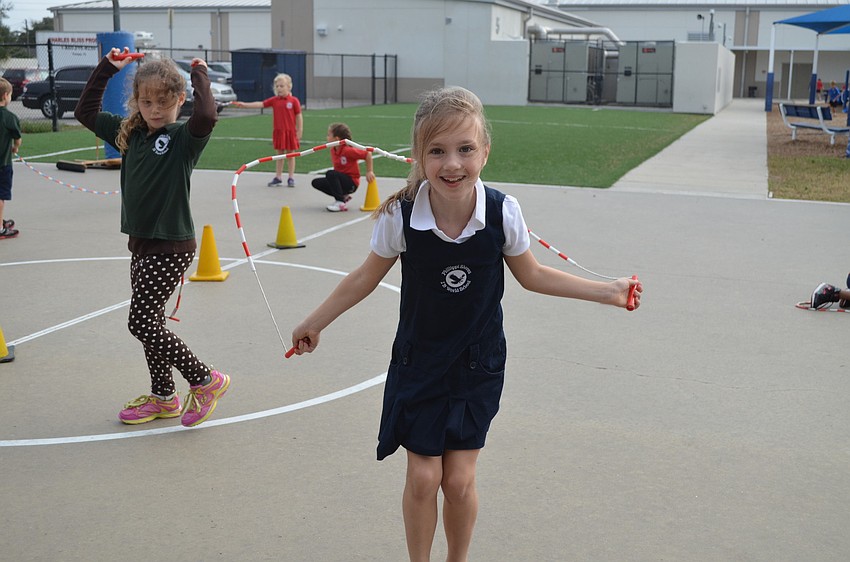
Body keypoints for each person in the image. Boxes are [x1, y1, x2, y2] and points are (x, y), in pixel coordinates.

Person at [289, 86, 642, 562]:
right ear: (418, 155)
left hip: (477, 363)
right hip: (420, 362)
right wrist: (315, 322)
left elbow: (532, 275)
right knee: (423, 477)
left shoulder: (502, 212)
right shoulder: (400, 215)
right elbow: (363, 279)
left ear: (485, 152)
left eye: (465, 149)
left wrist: (609, 291)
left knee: (456, 481)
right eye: (437, 151)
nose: (451, 164)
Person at [74, 49, 230, 427]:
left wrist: (199, 74)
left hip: (171, 244)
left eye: (163, 101)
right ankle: (164, 397)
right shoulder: (129, 133)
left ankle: (205, 379)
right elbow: (84, 111)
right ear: (137, 102)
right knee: (152, 323)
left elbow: (207, 115)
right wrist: (108, 68)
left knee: (141, 323)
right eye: (146, 101)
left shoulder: (181, 138)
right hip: (142, 244)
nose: (154, 110)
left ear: (178, 100)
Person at [232, 73, 303, 187]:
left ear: (289, 86)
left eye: (282, 86)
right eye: (277, 86)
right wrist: (245, 105)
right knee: (279, 155)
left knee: (291, 155)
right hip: (279, 132)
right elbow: (261, 104)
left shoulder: (294, 101)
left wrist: (299, 130)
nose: (279, 88)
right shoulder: (274, 100)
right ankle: (278, 176)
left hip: (290, 132)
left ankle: (291, 177)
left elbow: (299, 116)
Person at [311, 122, 376, 212]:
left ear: (336, 139)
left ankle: (340, 202)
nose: (327, 137)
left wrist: (369, 171)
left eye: (329, 135)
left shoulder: (347, 150)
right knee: (316, 182)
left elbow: (367, 154)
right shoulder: (333, 150)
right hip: (341, 180)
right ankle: (343, 196)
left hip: (351, 183)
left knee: (331, 174)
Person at [0, 77, 21, 240]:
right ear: (5, 95)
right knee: (1, 196)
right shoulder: (9, 117)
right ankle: (0, 228)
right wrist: (16, 147)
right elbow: (17, 138)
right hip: (3, 164)